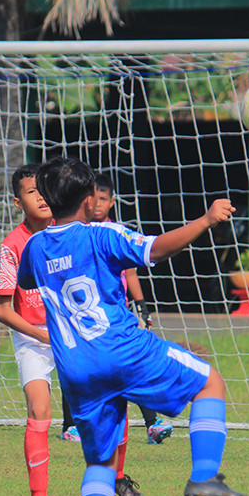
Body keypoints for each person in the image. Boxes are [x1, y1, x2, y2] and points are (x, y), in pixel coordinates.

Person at [17, 157, 249, 496]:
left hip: (76, 369)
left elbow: (26, 279)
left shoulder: (35, 247)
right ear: (90, 199)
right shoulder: (101, 235)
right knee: (210, 383)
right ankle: (204, 477)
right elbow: (156, 250)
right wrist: (206, 220)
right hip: (122, 348)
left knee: (100, 462)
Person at [0, 163, 150, 496]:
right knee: (40, 412)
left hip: (77, 337)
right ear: (18, 203)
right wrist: (39, 333)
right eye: (31, 193)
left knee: (116, 396)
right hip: (36, 341)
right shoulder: (14, 246)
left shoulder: (72, 233)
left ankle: (119, 477)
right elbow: (2, 309)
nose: (41, 198)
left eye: (43, 190)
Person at [59, 173, 174, 445]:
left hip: (115, 314)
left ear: (111, 202)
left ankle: (151, 423)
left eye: (103, 199)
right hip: (84, 314)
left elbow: (131, 274)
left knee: (131, 364)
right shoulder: (78, 231)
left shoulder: (117, 232)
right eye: (94, 199)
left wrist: (142, 307)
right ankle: (70, 424)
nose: (98, 205)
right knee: (77, 363)